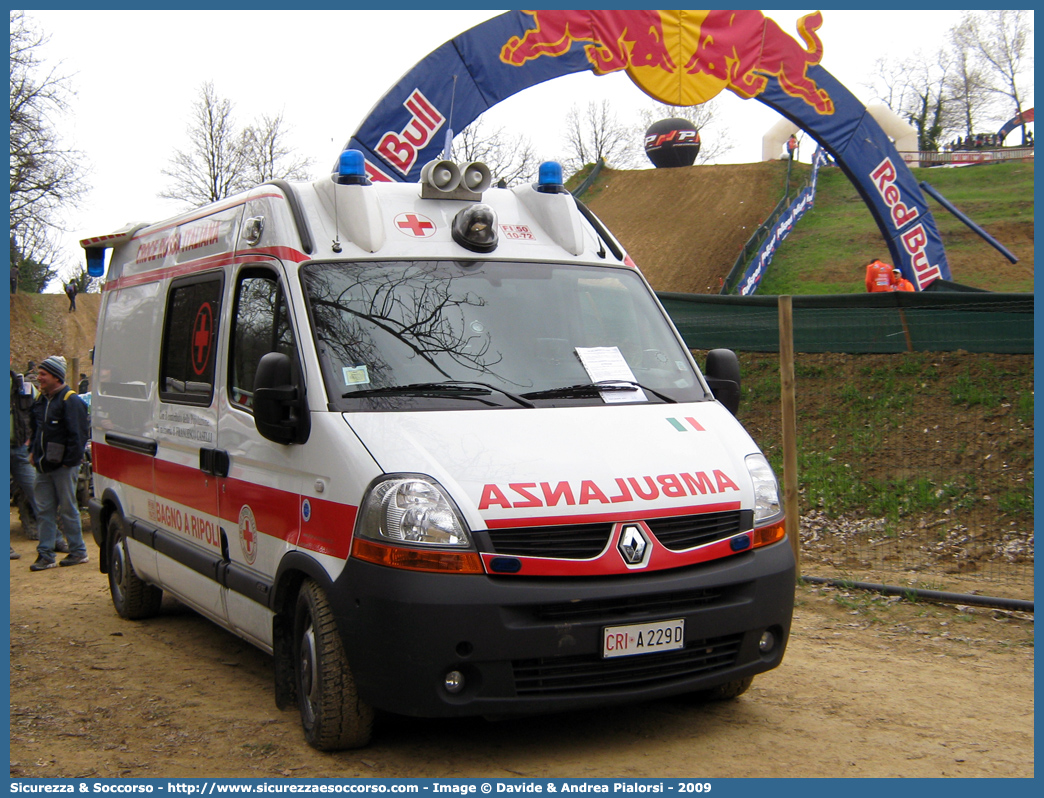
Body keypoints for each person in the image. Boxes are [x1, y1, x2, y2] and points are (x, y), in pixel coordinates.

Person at [27, 355, 90, 571]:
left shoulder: (71, 401)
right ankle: (45, 555)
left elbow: (79, 435)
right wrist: (33, 453)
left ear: (56, 376)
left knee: (68, 509)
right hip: (43, 466)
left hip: (64, 467)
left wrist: (69, 463)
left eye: (43, 374)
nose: (39, 378)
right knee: (44, 510)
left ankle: (78, 552)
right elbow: (36, 430)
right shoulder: (41, 400)